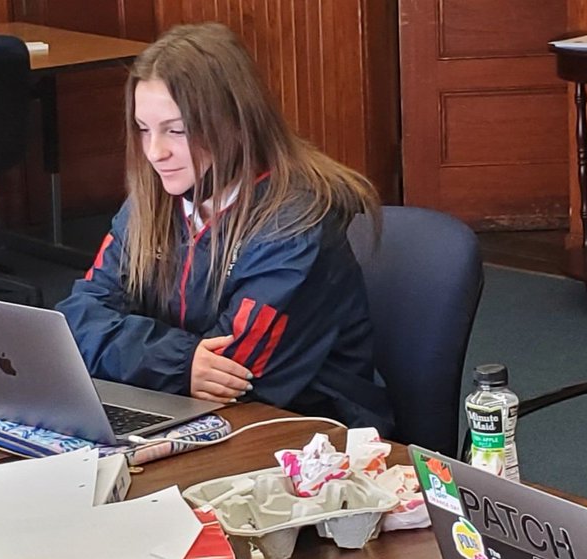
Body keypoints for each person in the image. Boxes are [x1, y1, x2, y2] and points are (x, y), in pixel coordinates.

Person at [57, 23, 393, 434]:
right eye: (144, 129)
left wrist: (142, 354)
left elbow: (234, 377)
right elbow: (76, 317)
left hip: (301, 434)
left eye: (176, 130)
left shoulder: (294, 225)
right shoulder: (155, 200)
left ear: (235, 123)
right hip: (183, 410)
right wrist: (180, 363)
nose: (155, 152)